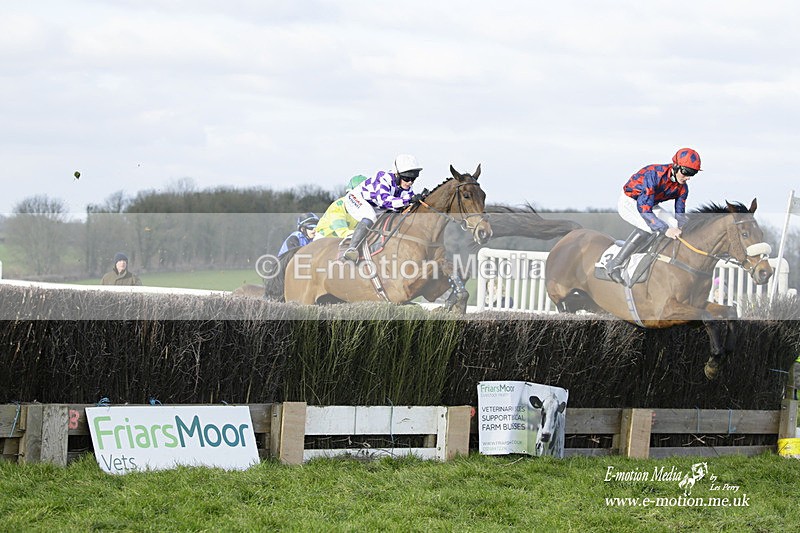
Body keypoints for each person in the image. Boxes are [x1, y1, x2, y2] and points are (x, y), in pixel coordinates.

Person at [605, 147, 702, 284]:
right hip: (630, 202)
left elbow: (680, 215)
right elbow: (644, 208)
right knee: (651, 227)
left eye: (693, 173)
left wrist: (684, 229)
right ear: (675, 166)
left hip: (650, 204)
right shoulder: (654, 175)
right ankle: (614, 264)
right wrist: (664, 229)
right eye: (686, 172)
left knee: (673, 225)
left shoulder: (683, 188)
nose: (688, 177)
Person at [342, 154, 426, 262]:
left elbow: (405, 208)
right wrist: (409, 199)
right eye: (407, 178)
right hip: (357, 199)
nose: (410, 182)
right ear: (397, 174)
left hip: (376, 205)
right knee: (370, 216)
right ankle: (351, 250)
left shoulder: (408, 187)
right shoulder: (383, 178)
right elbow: (385, 201)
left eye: (413, 178)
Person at [313, 175, 368, 240]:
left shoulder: (366, 208)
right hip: (324, 238)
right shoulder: (338, 206)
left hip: (346, 238)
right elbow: (341, 231)